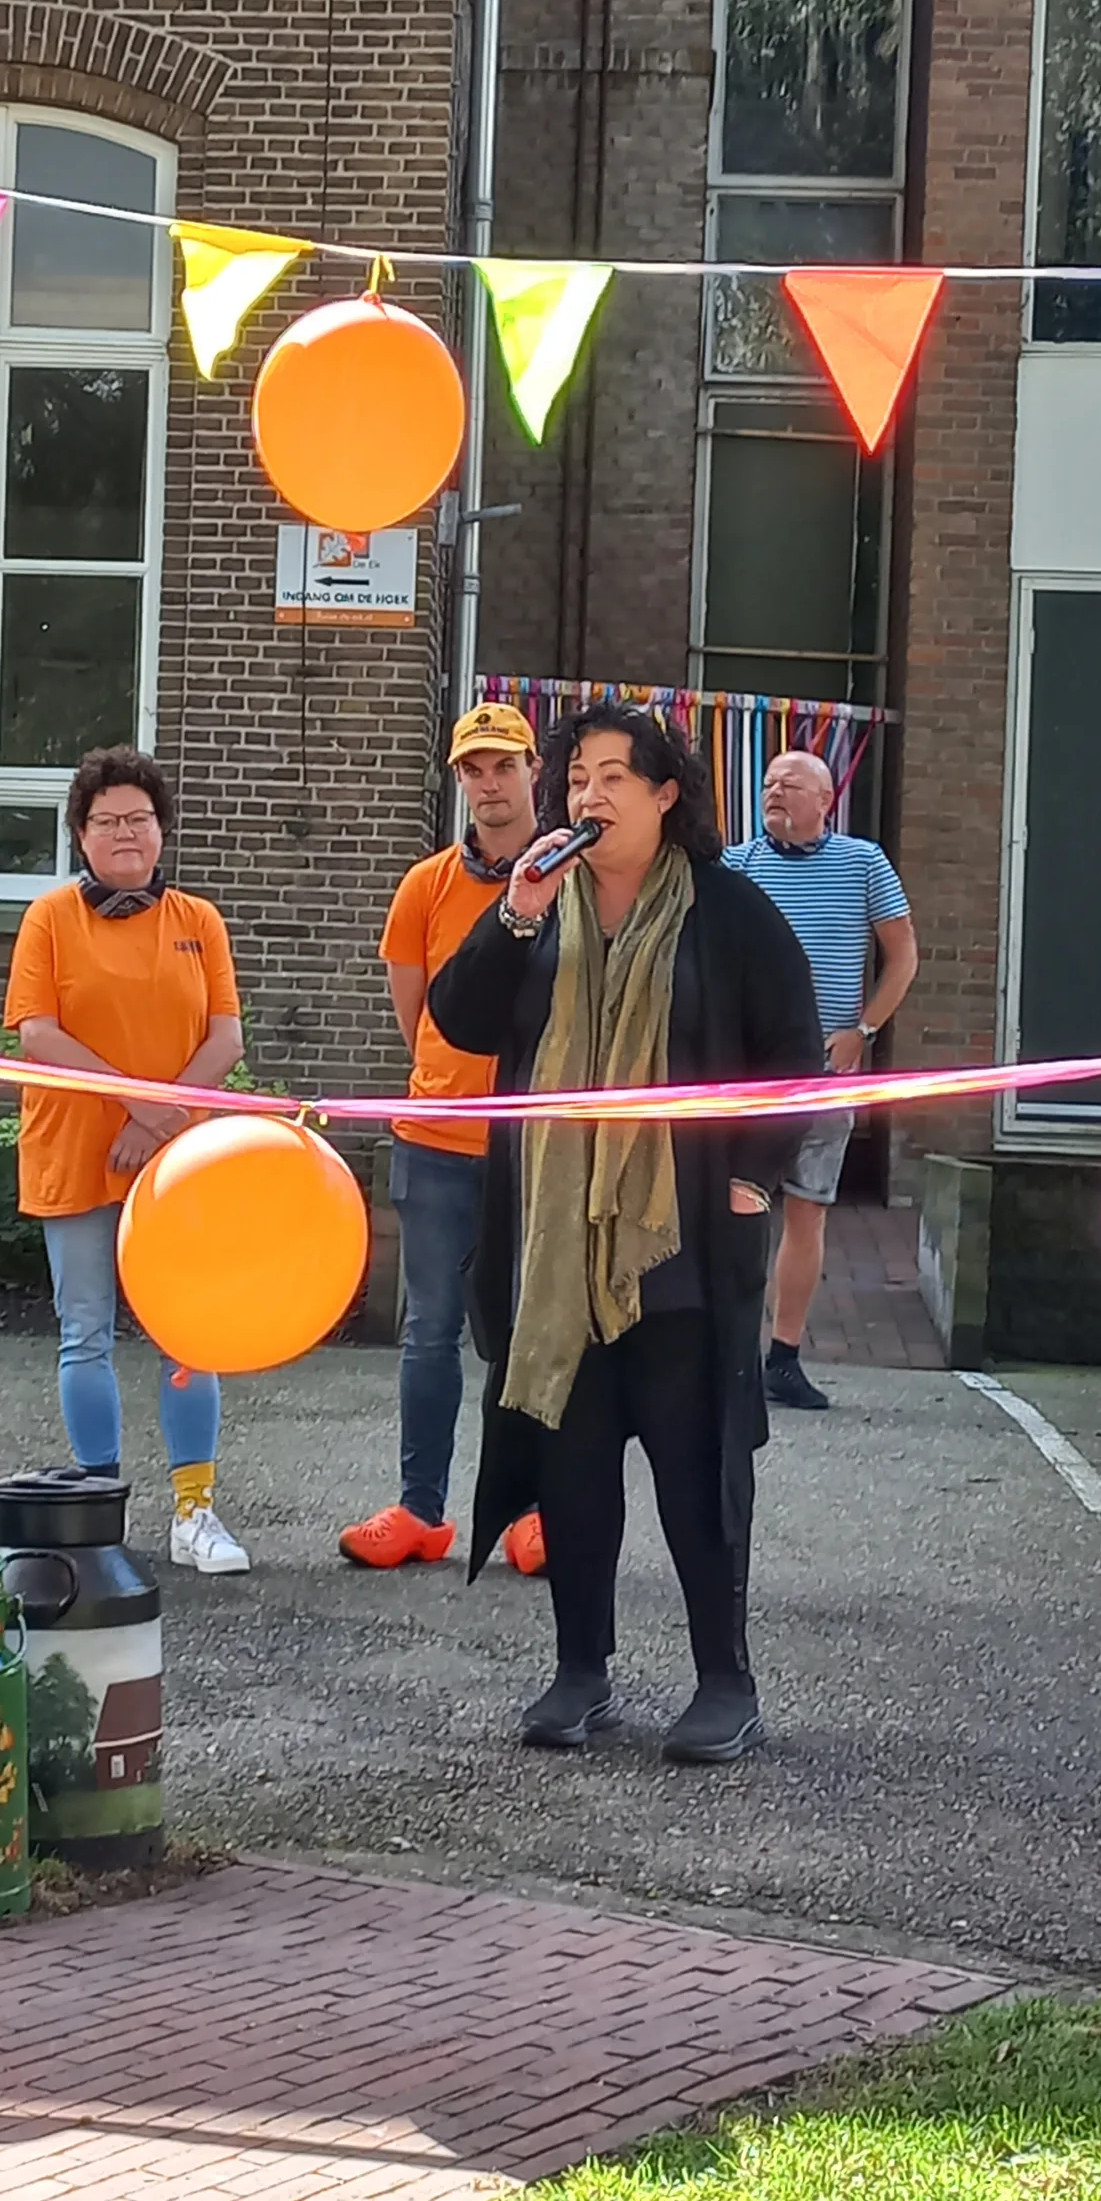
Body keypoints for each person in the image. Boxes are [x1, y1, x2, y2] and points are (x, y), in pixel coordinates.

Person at [429, 700, 822, 1763]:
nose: (588, 796)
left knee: (696, 1470)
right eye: (576, 780)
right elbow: (458, 1019)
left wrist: (752, 1177)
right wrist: (513, 915)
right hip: (558, 1246)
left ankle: (724, 1682)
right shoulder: (539, 905)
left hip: (682, 1243)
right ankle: (581, 1671)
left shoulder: (728, 912)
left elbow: (794, 1054)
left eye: (612, 777)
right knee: (572, 1466)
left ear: (665, 795)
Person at [4, 745, 250, 1576]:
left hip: (176, 1160)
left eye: (139, 820)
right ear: (80, 835)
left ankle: (195, 1512)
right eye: (106, 821)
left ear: (162, 831)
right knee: (85, 1333)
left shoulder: (199, 921)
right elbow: (38, 1032)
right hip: (76, 1147)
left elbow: (226, 1037)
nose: (125, 834)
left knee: (188, 1336)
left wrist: (159, 1119)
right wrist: (142, 1105)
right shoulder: (48, 919)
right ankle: (97, 1510)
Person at [339, 701, 545, 1572]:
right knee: (429, 1332)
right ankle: (421, 1509)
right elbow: (418, 1013)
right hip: (436, 1140)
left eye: (503, 765)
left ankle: (530, 1512)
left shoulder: (568, 876)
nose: (489, 784)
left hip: (534, 1144)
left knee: (528, 1332)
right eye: (473, 770)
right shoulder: (424, 886)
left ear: (533, 769)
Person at [724, 749, 918, 1412]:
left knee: (806, 1213)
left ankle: (783, 1357)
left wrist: (863, 1030)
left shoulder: (864, 863)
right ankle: (725, 1355)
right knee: (730, 1211)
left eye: (790, 784)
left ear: (827, 800)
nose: (774, 792)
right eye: (768, 783)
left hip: (825, 1071)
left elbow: (903, 957)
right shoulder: (737, 865)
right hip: (748, 1073)